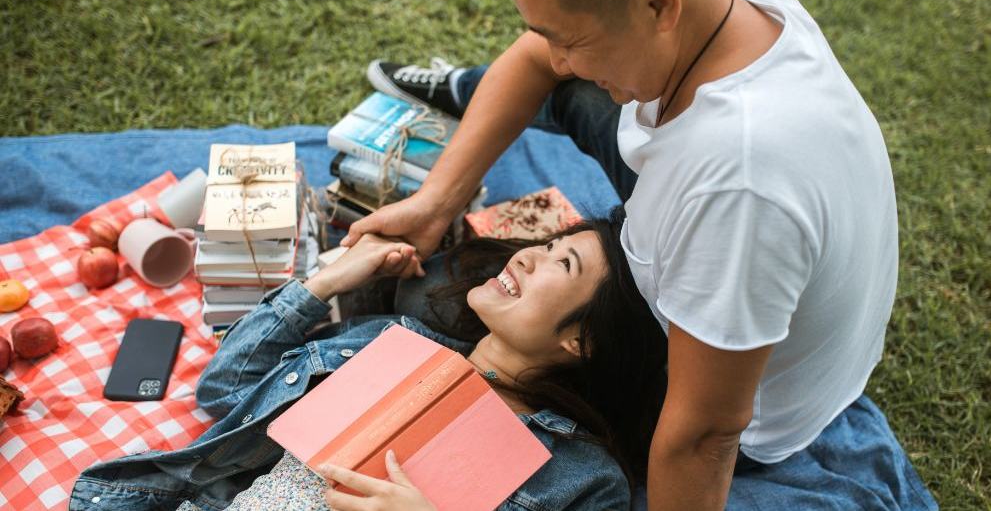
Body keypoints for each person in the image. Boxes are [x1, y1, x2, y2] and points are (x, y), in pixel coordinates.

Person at [345, 0, 936, 509]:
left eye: (570, 39)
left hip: (750, 404)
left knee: (432, 294)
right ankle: (464, 88)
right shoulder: (731, 1)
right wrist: (435, 203)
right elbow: (535, 60)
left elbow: (704, 436)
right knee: (563, 88)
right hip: (731, 233)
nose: (558, 57)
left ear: (658, 2)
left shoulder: (734, 190)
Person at [69, 214, 668, 511]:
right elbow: (225, 394)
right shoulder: (390, 344)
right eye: (546, 244)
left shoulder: (585, 476)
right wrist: (322, 284)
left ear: (584, 342)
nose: (531, 257)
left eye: (563, 265)